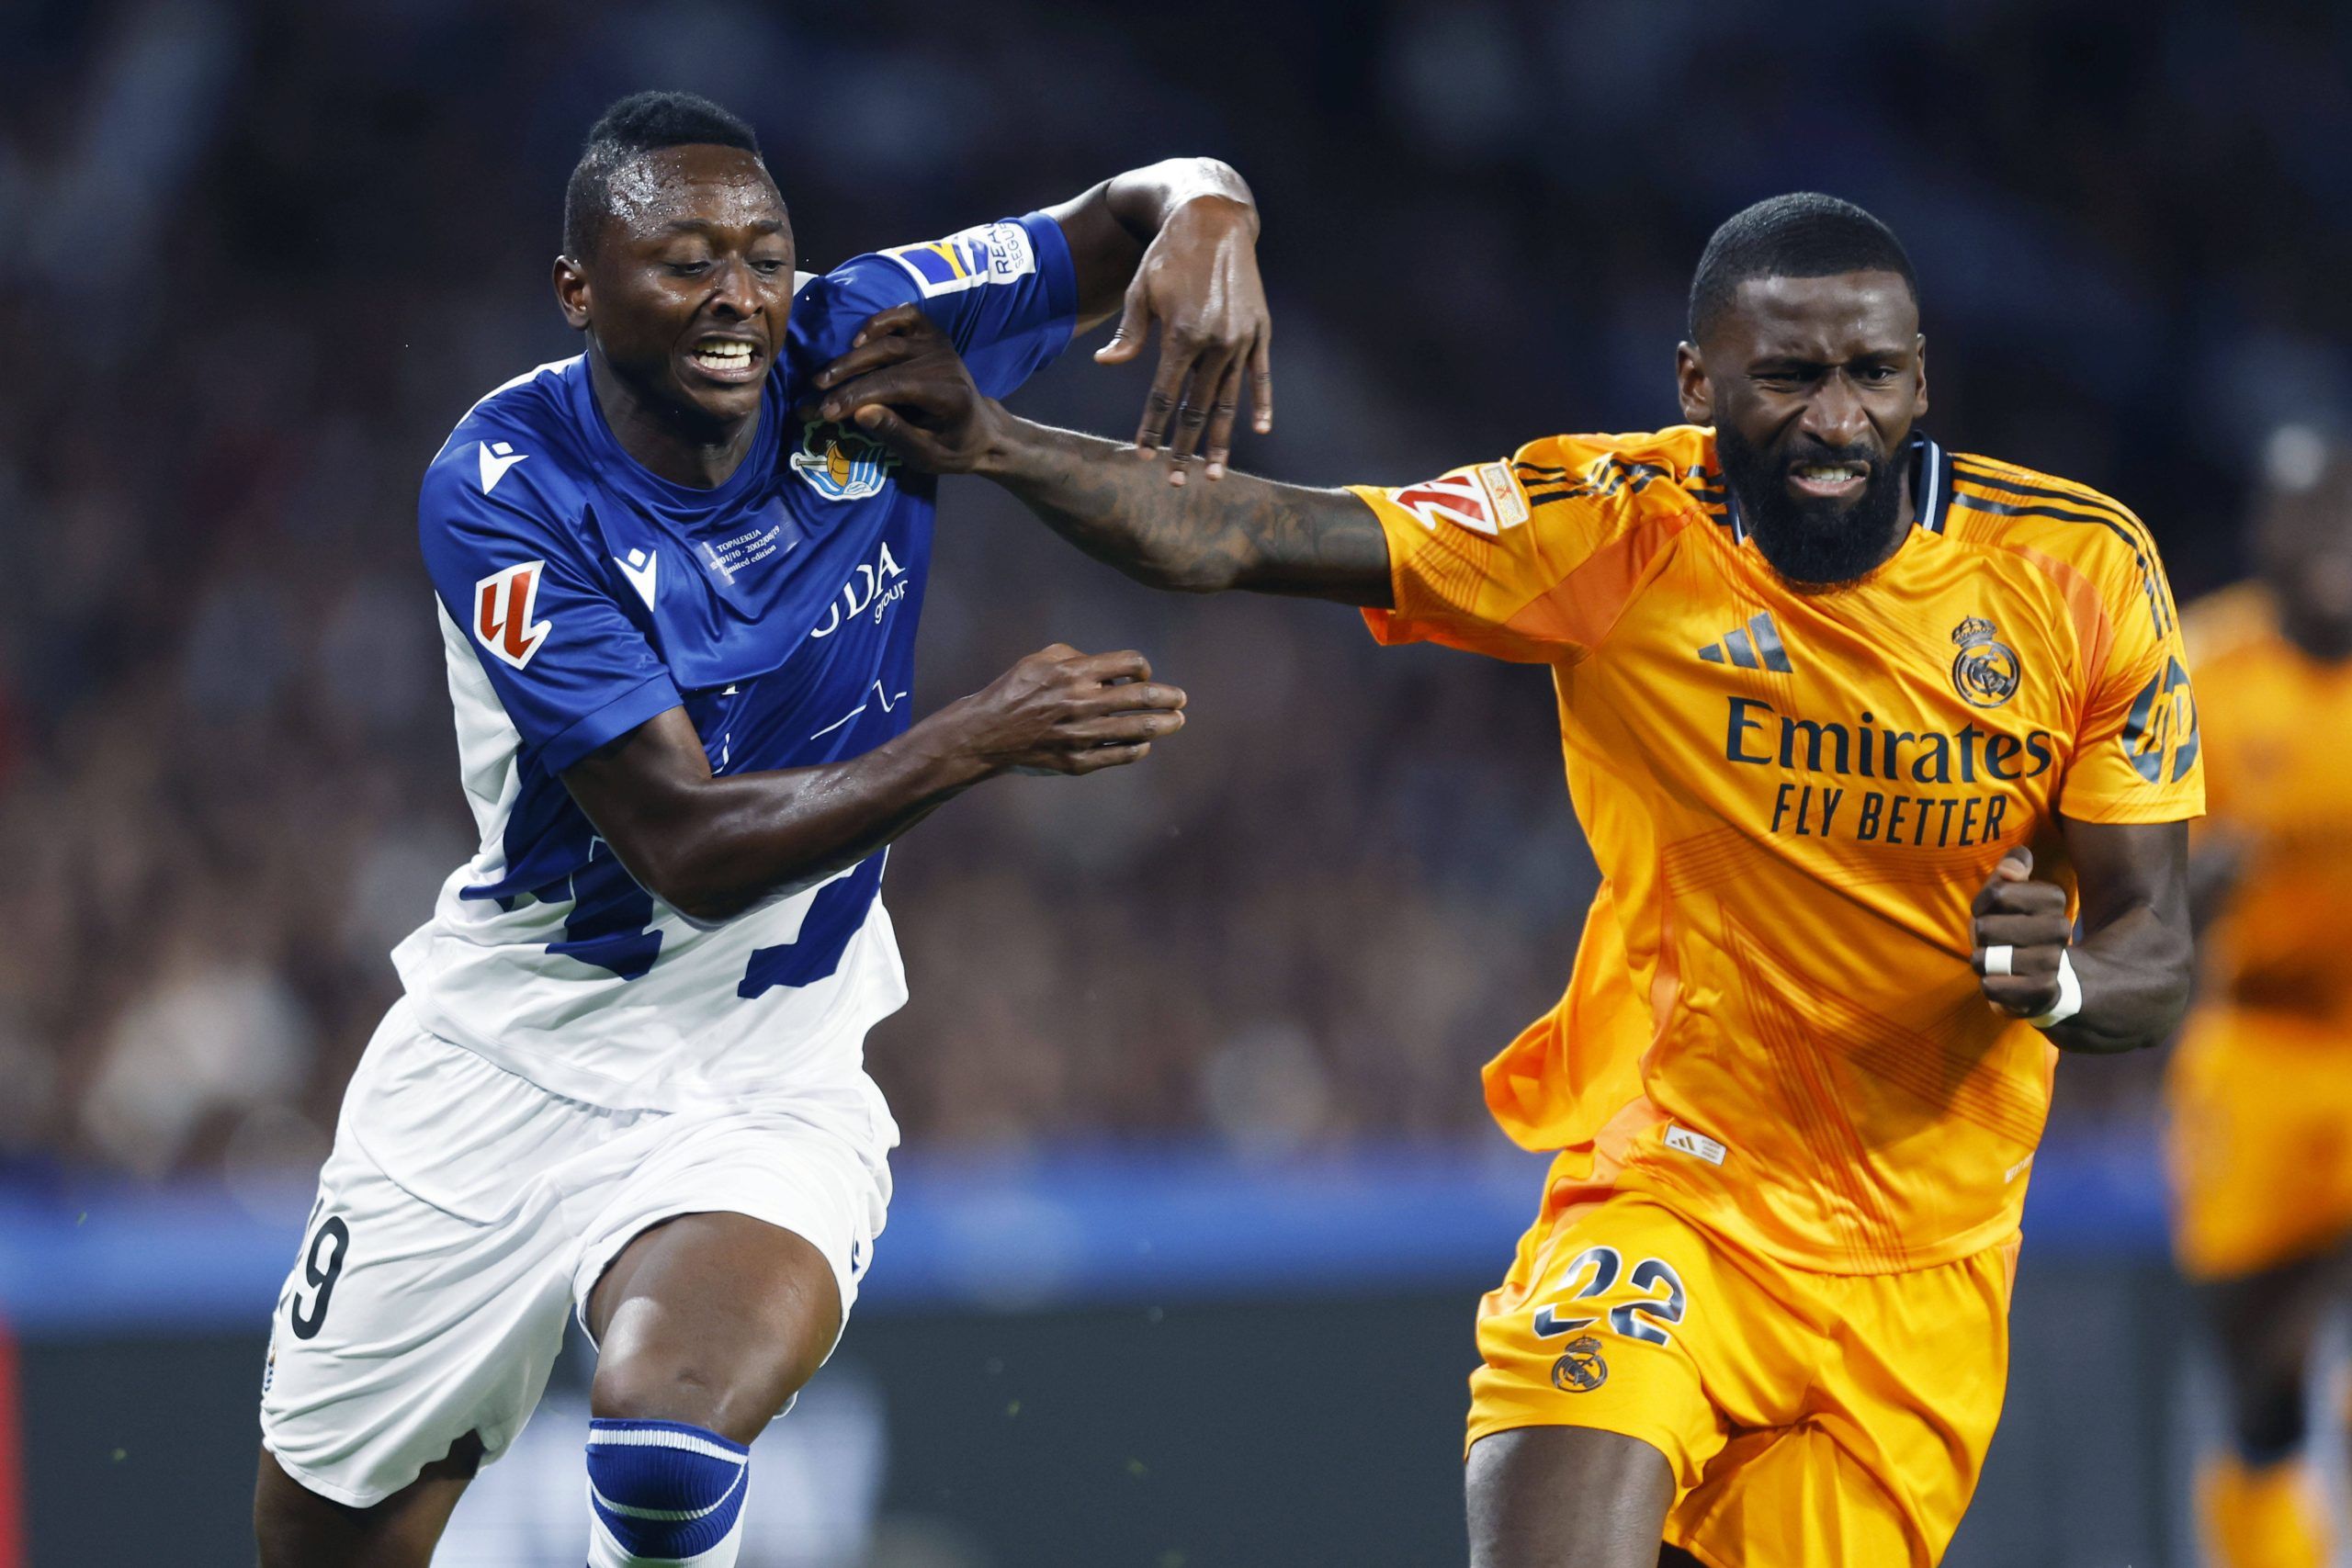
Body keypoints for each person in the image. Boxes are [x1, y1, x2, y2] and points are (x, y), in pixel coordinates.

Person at [806, 192, 2204, 1566]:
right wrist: (992, 439)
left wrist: (2066, 980)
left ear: (1920, 374)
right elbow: (1234, 531)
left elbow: (2155, 943)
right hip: (1676, 1184)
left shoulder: (2078, 572)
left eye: (1875, 374)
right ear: (1697, 381)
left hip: (1924, 1265)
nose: (1839, 420)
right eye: (1787, 376)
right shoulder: (1618, 524)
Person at [254, 89, 1272, 1568]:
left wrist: (1214, 207)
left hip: (763, 1071)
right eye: (685, 262)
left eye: (765, 253)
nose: (738, 296)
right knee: (316, 1545)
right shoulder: (506, 489)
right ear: (578, 288)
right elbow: (680, 841)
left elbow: (1134, 211)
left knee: (667, 1441)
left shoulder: (866, 336)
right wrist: (974, 738)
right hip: (502, 1062)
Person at [2165, 426, 2352, 1568]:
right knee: (2258, 1387)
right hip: (2258, 1050)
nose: (2331, 534)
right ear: (2264, 532)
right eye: (2308, 510)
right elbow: (2137, 892)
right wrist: (2195, 885)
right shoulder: (2206, 671)